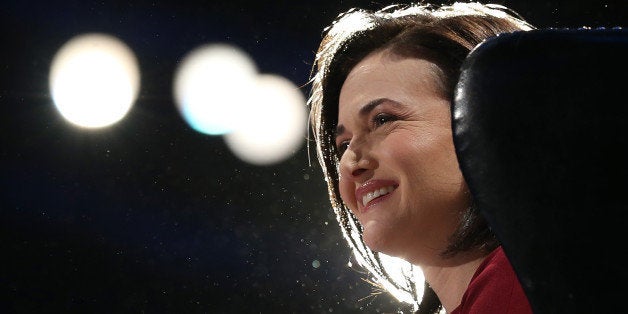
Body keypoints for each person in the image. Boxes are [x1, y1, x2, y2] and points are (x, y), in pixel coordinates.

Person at [307, 2, 536, 313]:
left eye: (383, 120)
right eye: (343, 145)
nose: (350, 163)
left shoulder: (528, 289)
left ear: (488, 121)